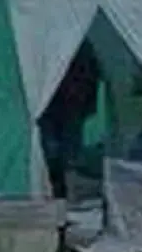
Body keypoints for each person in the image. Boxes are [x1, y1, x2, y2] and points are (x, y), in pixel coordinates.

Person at [39, 43, 101, 198]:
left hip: (65, 105)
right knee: (59, 152)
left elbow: (91, 76)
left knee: (60, 152)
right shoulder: (81, 44)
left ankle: (60, 191)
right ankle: (61, 191)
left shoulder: (77, 45)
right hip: (61, 105)